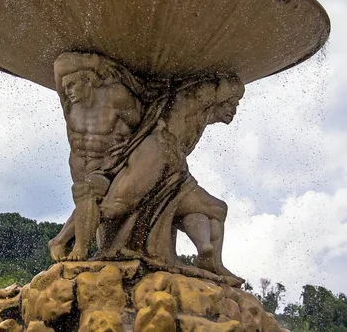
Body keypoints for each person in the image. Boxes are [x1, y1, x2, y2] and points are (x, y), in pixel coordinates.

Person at [98, 76, 244, 280]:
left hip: (176, 170)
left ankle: (209, 258)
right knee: (114, 208)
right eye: (232, 103)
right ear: (217, 98)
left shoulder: (199, 118)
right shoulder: (188, 103)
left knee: (217, 209)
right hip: (159, 159)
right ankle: (65, 238)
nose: (234, 111)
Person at [48, 52, 145, 261]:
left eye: (73, 85)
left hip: (109, 168)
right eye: (66, 87)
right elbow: (59, 65)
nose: (68, 91)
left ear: (88, 81)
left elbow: (143, 123)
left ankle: (77, 248)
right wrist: (95, 62)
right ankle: (61, 241)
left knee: (87, 192)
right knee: (88, 200)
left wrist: (128, 145)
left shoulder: (115, 97)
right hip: (81, 169)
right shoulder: (70, 105)